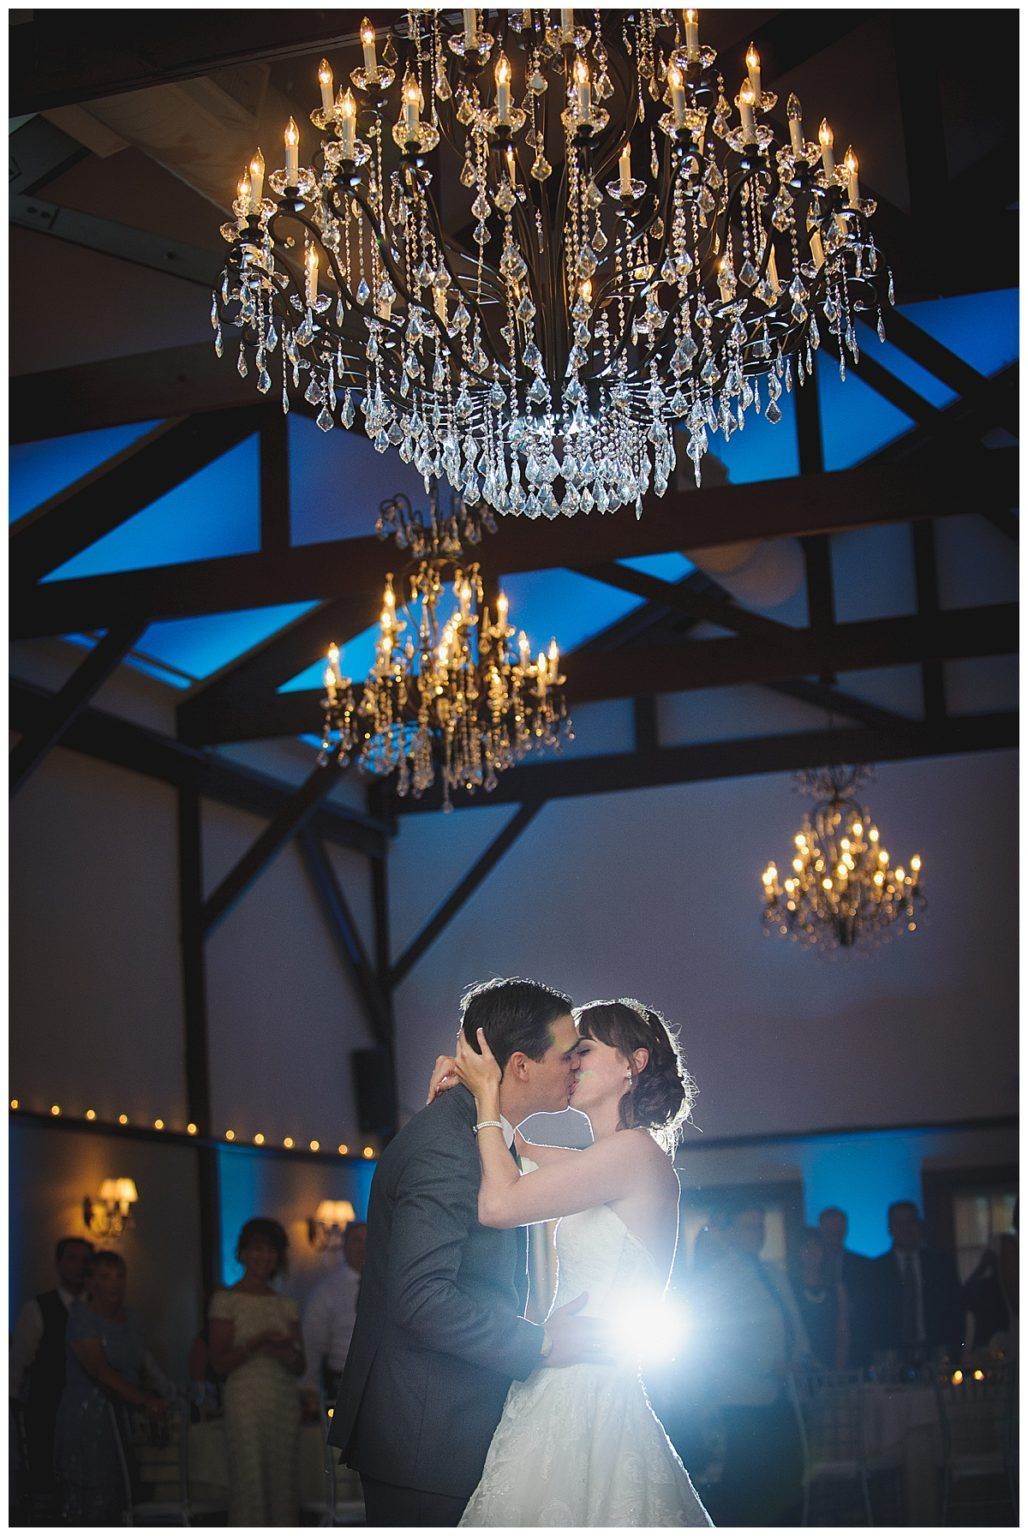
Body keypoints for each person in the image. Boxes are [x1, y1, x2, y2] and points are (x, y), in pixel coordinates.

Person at [329, 976, 615, 1527]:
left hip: (447, 1421)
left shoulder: (478, 1133)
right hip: (428, 1432)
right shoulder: (447, 1146)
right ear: (521, 1065)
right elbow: (420, 1300)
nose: (575, 1066)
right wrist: (545, 1342)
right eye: (566, 1054)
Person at [447, 996, 712, 1527]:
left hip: (590, 1388)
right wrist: (477, 1084)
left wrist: (483, 1102)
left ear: (633, 1064)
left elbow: (500, 1203)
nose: (571, 1062)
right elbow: (514, 1147)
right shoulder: (606, 1160)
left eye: (584, 1050)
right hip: (568, 1378)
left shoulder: (633, 1154)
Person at [696, 1201, 809, 1527]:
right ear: (731, 1233)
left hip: (784, 1394)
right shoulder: (719, 1277)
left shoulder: (774, 1272)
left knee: (786, 1477)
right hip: (742, 1396)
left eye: (760, 1227)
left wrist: (801, 1354)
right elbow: (722, 1337)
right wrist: (769, 1365)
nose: (756, 1234)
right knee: (748, 1482)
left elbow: (793, 1322)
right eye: (748, 1226)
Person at [54, 1249, 167, 1525]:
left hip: (126, 1416)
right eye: (105, 1277)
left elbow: (143, 1364)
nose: (115, 1283)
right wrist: (143, 1400)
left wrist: (161, 1393)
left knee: (128, 1494)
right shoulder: (81, 1318)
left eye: (120, 1276)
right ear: (91, 1283)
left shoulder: (134, 1319)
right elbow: (98, 1369)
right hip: (89, 1416)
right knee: (94, 1497)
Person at [208, 1217, 304, 1526]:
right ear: (244, 1252)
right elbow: (218, 1363)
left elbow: (300, 1365)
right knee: (250, 1477)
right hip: (245, 1397)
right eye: (258, 1249)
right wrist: (256, 1341)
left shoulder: (286, 1304)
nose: (265, 1257)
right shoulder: (227, 1300)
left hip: (283, 1399)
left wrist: (282, 1351)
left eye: (271, 1251)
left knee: (282, 1479)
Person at [10, 1235, 94, 1516]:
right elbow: (18, 1361)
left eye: (85, 1260)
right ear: (58, 1264)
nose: (79, 1266)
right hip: (48, 1408)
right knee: (47, 1485)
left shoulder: (99, 1308)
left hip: (92, 1412)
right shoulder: (38, 1308)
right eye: (72, 1258)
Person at [869, 1200, 964, 1364]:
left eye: (910, 1222)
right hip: (891, 1353)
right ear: (890, 1229)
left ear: (919, 1226)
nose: (906, 1229)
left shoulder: (941, 1264)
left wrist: (956, 1349)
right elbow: (871, 1316)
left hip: (936, 1349)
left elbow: (956, 1309)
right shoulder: (876, 1269)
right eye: (900, 1223)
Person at [302, 1222, 366, 1405]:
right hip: (341, 1382)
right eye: (357, 1240)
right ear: (344, 1245)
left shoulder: (387, 1287)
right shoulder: (327, 1290)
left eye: (368, 1240)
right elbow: (312, 1343)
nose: (363, 1246)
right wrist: (309, 1388)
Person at [818, 1206, 875, 1367]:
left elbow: (871, 1307)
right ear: (821, 1230)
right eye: (830, 1229)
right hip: (821, 1346)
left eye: (838, 1229)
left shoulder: (864, 1265)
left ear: (845, 1229)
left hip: (858, 1345)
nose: (834, 1234)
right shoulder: (812, 1265)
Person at [792, 1227, 848, 1369]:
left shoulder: (836, 1288)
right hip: (799, 1365)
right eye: (806, 1247)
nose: (812, 1252)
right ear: (798, 1252)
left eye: (816, 1246)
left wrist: (838, 1370)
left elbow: (843, 1333)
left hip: (832, 1362)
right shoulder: (789, 1287)